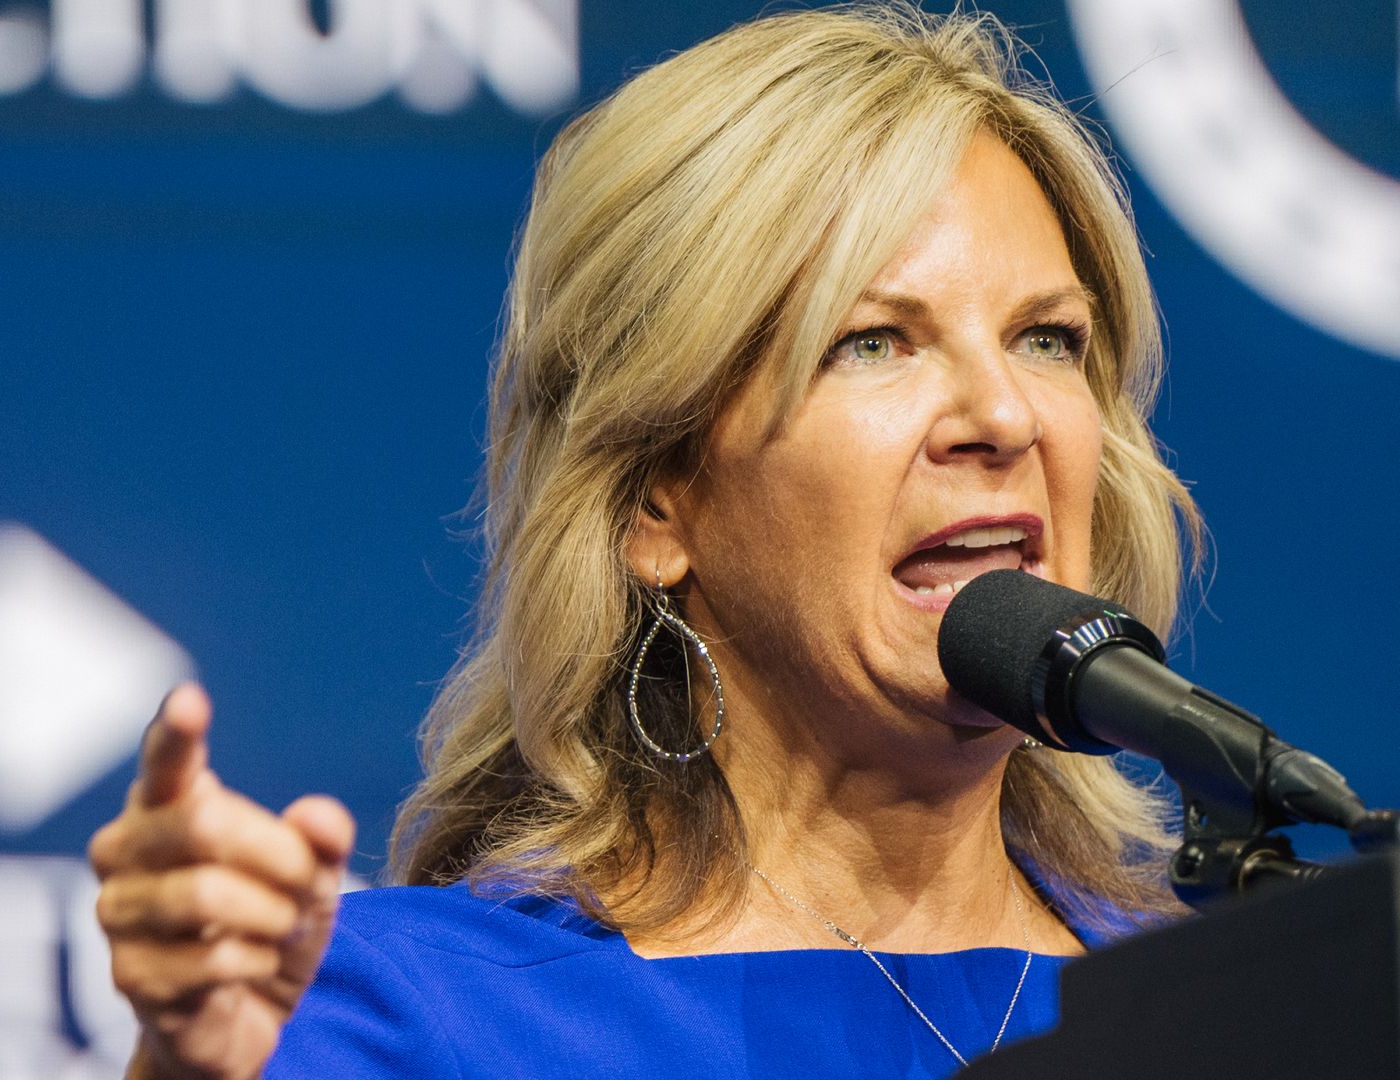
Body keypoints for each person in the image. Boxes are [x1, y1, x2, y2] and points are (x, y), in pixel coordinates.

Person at [85, 4, 1202, 1077]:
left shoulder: (1227, 1006)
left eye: (1047, 340)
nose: (1003, 417)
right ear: (655, 500)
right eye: (873, 342)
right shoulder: (410, 1017)